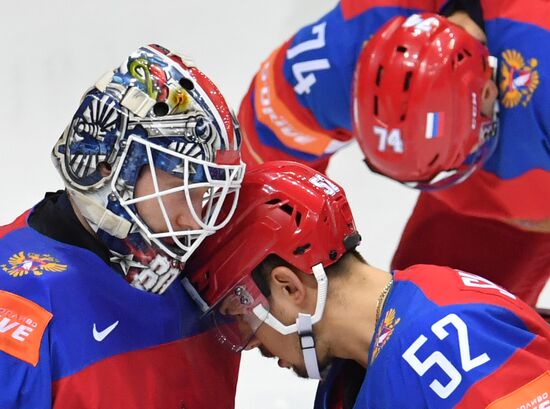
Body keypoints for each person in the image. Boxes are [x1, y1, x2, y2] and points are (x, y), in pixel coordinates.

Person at [237, 1, 550, 308]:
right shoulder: (332, 61)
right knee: (421, 312)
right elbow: (265, 173)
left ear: (487, 93)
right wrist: (319, 269)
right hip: (499, 183)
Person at [185, 161, 550, 409]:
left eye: (243, 315)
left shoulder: (441, 337)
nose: (252, 345)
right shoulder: (348, 377)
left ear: (288, 288)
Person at [0, 44, 245, 408]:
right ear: (106, 163)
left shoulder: (204, 278)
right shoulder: (17, 307)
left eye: (206, 192)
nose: (193, 220)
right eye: (183, 183)